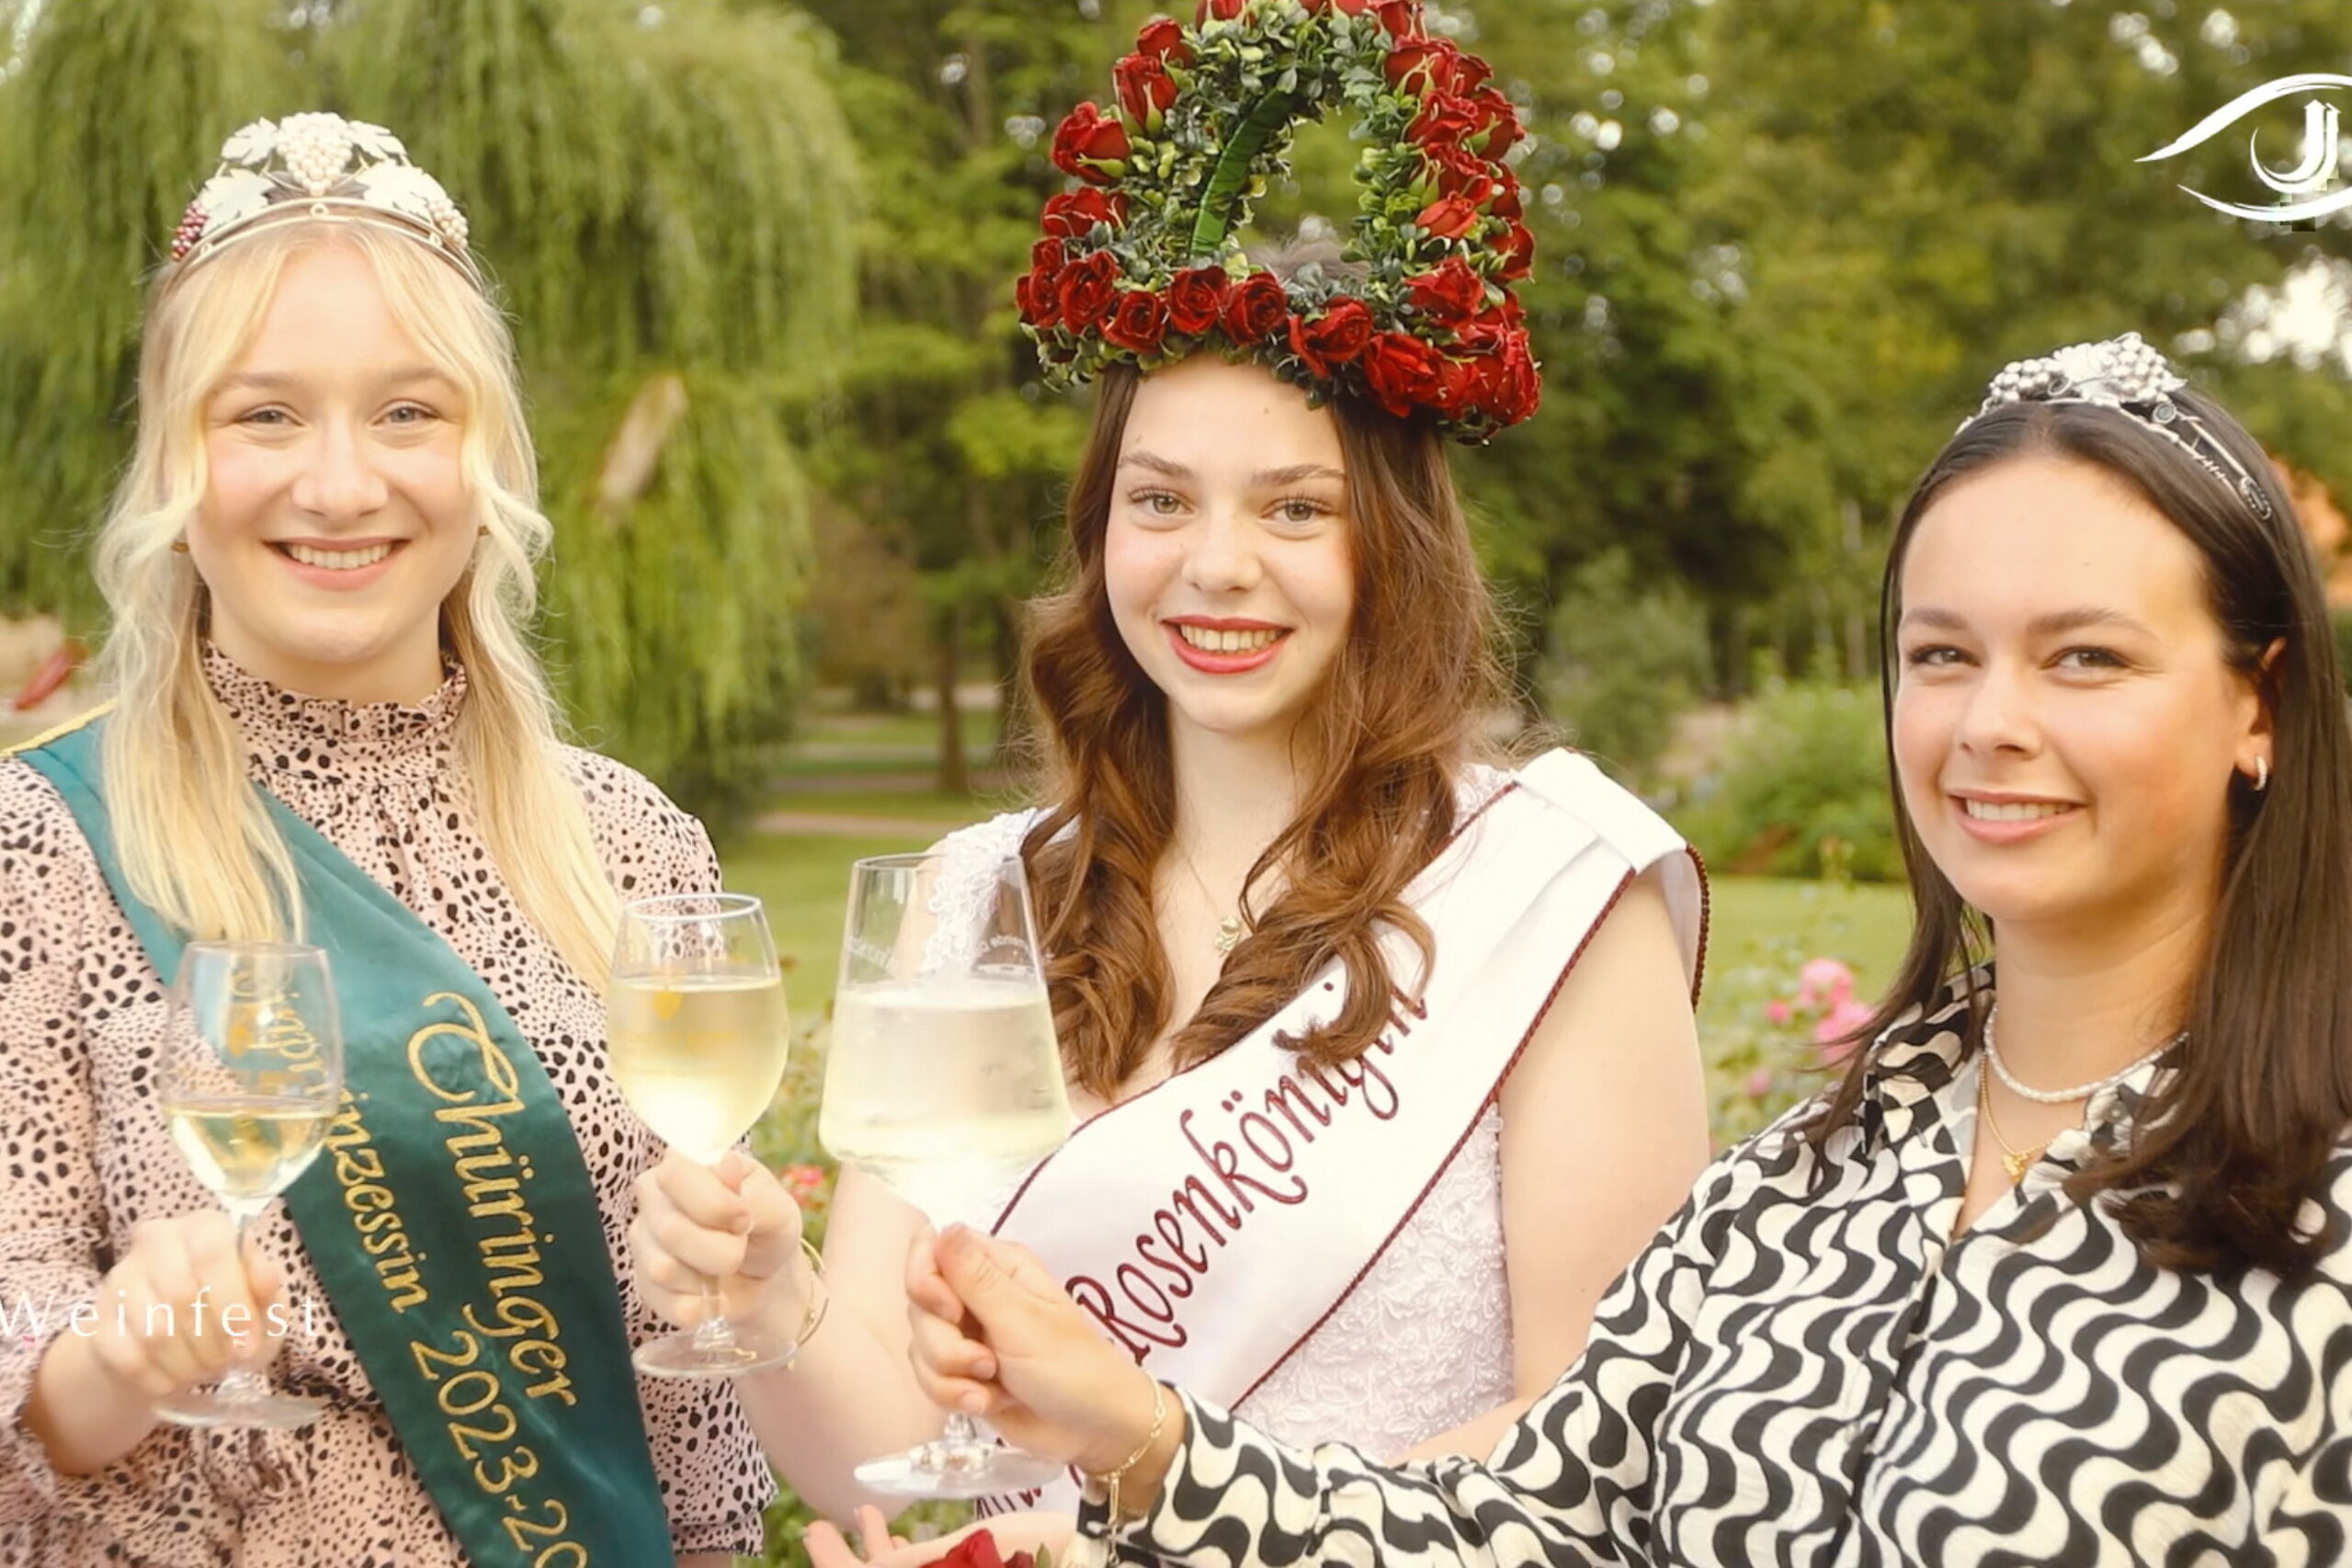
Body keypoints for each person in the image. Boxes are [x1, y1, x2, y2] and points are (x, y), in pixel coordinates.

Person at [898, 331, 2352, 1564]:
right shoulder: (1806, 1176)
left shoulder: (2325, 1208)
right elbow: (1536, 1517)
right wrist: (1143, 1440)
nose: (1990, 725)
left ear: (2261, 707)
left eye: (2085, 655)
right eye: (1941, 653)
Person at [626, 3, 1710, 1559]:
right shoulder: (974, 895)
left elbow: (1597, 1439)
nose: (1216, 566)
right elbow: (895, 1464)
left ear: (1391, 548)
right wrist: (776, 1297)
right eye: (1161, 500)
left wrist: (1156, 1534)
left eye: (1292, 508)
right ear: (1099, 535)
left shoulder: (1550, 894)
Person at [0, 113, 771, 1564]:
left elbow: (693, 1428)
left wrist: (759, 1295)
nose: (342, 484)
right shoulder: (33, 847)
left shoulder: (633, 845)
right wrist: (112, 1353)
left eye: (411, 412)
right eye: (265, 414)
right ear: (178, 463)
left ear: (487, 460)